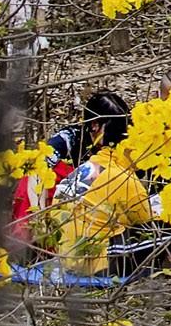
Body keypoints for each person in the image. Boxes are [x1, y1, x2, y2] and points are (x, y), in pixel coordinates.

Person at [12, 90, 129, 253]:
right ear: (94, 125)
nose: (117, 137)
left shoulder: (124, 145)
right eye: (112, 130)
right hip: (53, 205)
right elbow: (36, 172)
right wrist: (40, 219)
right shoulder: (69, 139)